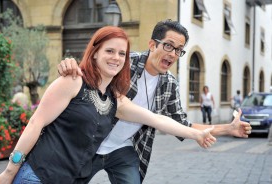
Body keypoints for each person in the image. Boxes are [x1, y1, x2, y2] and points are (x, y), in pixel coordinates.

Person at [0, 26, 216, 184]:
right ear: (94, 54)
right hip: (37, 176)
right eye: (109, 51)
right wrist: (9, 171)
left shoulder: (115, 99)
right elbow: (35, 123)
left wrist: (196, 134)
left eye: (122, 53)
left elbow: (157, 119)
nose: (116, 58)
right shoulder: (73, 81)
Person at [57, 20, 252, 183]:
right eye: (168, 45)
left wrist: (228, 128)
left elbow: (183, 125)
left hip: (122, 149)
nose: (173, 54)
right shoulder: (125, 63)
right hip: (90, 144)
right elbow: (92, 71)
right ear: (152, 45)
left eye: (179, 50)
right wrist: (71, 64)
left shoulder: (169, 85)